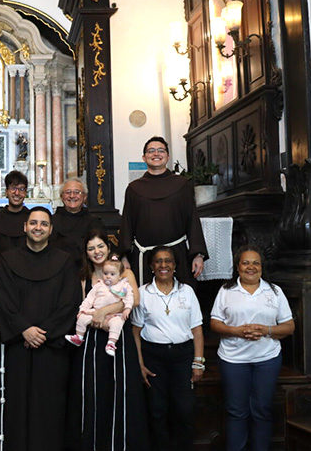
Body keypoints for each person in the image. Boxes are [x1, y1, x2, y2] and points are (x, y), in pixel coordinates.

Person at [0, 206, 78, 451]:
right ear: (25, 227)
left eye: (43, 224)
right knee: (17, 405)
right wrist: (24, 329)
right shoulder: (8, 259)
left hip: (52, 347)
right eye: (33, 223)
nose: (37, 228)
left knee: (50, 406)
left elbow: (69, 302)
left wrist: (43, 332)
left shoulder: (64, 261)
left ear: (51, 230)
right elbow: (4, 300)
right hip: (19, 345)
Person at [65, 229, 149, 451]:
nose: (97, 251)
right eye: (91, 248)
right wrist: (98, 320)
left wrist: (105, 311)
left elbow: (134, 300)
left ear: (108, 247)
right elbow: (82, 307)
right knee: (93, 393)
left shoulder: (125, 272)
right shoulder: (84, 277)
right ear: (86, 253)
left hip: (119, 339)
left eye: (100, 246)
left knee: (119, 391)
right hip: (92, 341)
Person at [210, 246, 294, 451]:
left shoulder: (274, 291)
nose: (251, 267)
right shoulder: (226, 291)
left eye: (256, 263)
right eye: (246, 262)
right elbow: (214, 323)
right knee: (236, 411)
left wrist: (266, 330)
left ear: (262, 267)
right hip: (233, 360)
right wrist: (236, 331)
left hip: (267, 359)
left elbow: (289, 326)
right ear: (238, 267)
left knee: (262, 410)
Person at [132, 246, 204, 451]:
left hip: (183, 356)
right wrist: (140, 364)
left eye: (168, 261)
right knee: (157, 410)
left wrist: (198, 362)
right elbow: (135, 332)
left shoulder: (187, 291)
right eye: (158, 261)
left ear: (175, 265)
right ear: (151, 266)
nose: (163, 265)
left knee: (184, 410)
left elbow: (197, 330)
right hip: (153, 357)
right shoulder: (143, 293)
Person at [118, 136, 208, 286]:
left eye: (161, 150)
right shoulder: (134, 188)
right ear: (144, 157)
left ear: (167, 156)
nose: (156, 154)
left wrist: (198, 254)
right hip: (145, 257)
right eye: (151, 151)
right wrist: (124, 257)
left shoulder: (182, 184)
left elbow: (192, 219)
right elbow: (127, 223)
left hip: (176, 255)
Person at [66, 257, 134, 356]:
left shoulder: (123, 286)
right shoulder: (99, 285)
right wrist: (83, 309)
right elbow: (89, 299)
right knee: (82, 318)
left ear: (120, 276)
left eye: (112, 274)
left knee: (117, 323)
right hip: (95, 312)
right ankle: (79, 337)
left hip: (114, 315)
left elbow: (130, 297)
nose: (108, 276)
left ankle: (111, 343)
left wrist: (127, 308)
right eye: (105, 273)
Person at [50, 178, 104, 271]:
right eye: (68, 192)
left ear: (84, 197)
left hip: (87, 270)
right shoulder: (51, 221)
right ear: (61, 196)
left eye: (77, 192)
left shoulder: (94, 221)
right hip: (57, 270)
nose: (72, 196)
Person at [0, 170, 29, 254]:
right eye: (13, 188)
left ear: (25, 193)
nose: (17, 193)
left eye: (21, 189)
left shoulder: (32, 220)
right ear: (6, 192)